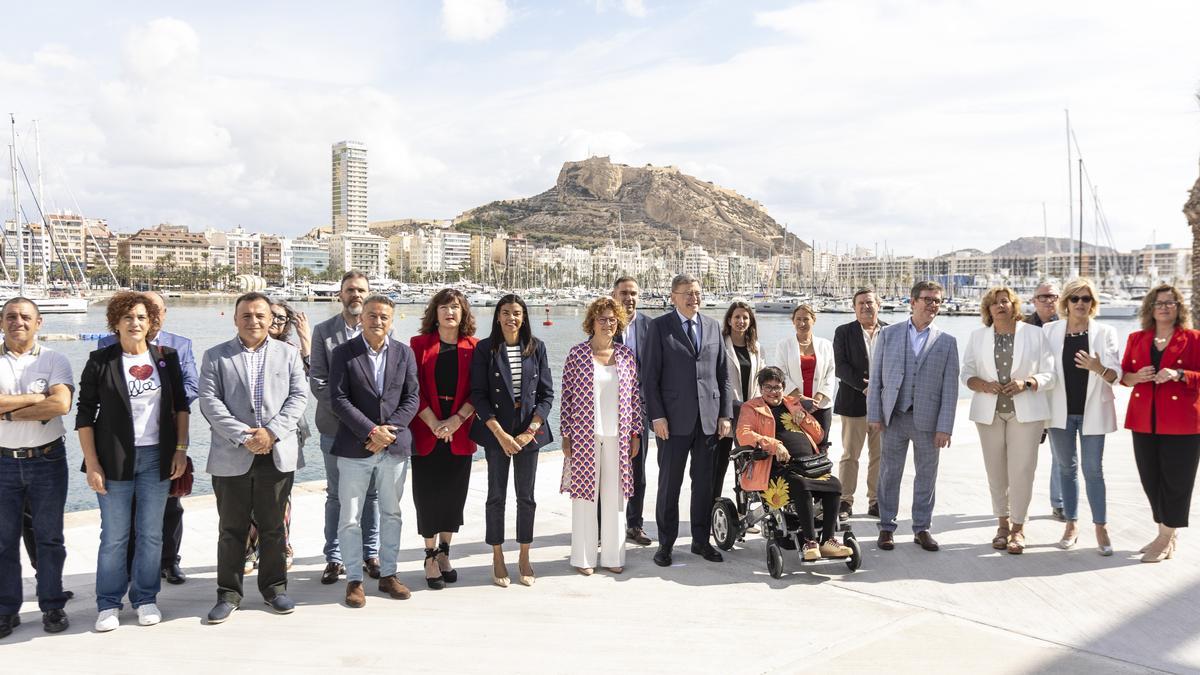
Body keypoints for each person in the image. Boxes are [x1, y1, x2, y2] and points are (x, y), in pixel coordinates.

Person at [77, 292, 189, 631]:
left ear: (151, 322)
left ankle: (145, 598)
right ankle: (108, 603)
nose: (135, 323)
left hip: (158, 456)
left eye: (141, 317)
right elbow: (84, 415)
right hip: (113, 459)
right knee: (114, 535)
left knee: (152, 533)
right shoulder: (101, 360)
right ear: (115, 323)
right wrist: (92, 464)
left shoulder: (166, 358)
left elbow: (181, 407)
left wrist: (181, 449)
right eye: (128, 317)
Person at [199, 292, 308, 623]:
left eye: (260, 315)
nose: (254, 321)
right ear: (235, 319)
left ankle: (275, 588)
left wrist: (271, 433)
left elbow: (299, 397)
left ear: (270, 319)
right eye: (246, 315)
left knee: (273, 526)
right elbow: (209, 401)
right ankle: (228, 593)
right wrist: (244, 436)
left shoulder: (288, 354)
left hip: (276, 452)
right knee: (231, 527)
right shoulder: (216, 356)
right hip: (233, 453)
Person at [96, 290, 198, 584]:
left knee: (169, 506)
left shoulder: (179, 345)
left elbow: (191, 384)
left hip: (166, 435)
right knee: (123, 512)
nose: (144, 318)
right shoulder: (107, 345)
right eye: (138, 311)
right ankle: (126, 566)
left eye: (153, 310)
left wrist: (165, 404)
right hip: (121, 442)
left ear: (161, 315)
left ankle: (169, 561)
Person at [329, 295, 419, 607]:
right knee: (350, 517)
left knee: (392, 513)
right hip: (355, 447)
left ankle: (389, 574)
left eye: (383, 317)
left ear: (391, 320)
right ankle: (354, 579)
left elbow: (412, 398)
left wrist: (388, 432)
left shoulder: (404, 353)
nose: (377, 321)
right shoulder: (343, 353)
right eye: (372, 315)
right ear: (361, 317)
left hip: (394, 448)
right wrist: (371, 431)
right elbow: (338, 398)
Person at [643, 273, 733, 566]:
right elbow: (649, 379)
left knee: (704, 485)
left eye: (697, 292)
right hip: (671, 422)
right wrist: (656, 416)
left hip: (708, 421)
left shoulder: (711, 326)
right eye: (687, 293)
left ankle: (700, 541)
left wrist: (725, 415)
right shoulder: (658, 328)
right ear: (673, 297)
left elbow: (723, 375)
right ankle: (665, 545)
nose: (694, 297)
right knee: (670, 485)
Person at [0, 298, 74, 638]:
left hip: (47, 460)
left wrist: (9, 412)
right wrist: (34, 399)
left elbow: (60, 403)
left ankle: (52, 604)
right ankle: (6, 609)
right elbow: (45, 401)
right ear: (2, 322)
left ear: (39, 323)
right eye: (11, 316)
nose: (18, 322)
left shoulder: (54, 359)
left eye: (25, 316)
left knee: (50, 538)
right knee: (3, 542)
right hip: (2, 461)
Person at [868, 280, 959, 552]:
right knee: (888, 474)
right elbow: (876, 379)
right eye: (928, 299)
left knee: (926, 476)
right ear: (913, 301)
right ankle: (886, 527)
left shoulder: (947, 342)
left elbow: (951, 389)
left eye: (937, 301)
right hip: (893, 416)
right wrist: (874, 414)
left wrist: (945, 427)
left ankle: (922, 528)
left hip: (928, 422)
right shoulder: (888, 334)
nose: (933, 305)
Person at [470, 294, 555, 587]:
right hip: (497, 434)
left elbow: (546, 396)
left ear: (524, 316)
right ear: (498, 316)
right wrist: (501, 435)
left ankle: (524, 555)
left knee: (526, 497)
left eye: (517, 313)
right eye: (506, 312)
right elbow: (478, 396)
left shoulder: (537, 348)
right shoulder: (485, 349)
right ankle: (497, 555)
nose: (511, 318)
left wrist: (529, 431)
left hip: (528, 433)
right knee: (496, 496)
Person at [962, 287, 1054, 555]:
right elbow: (966, 372)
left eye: (1005, 301)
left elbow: (1050, 374)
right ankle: (1002, 525)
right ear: (988, 310)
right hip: (989, 413)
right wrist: (981, 384)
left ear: (1014, 305)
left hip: (1025, 413)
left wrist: (1027, 382)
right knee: (996, 473)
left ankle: (1018, 528)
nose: (1000, 306)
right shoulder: (978, 337)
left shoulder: (1036, 334)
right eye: (994, 303)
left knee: (1022, 471)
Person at [560, 297, 643, 574]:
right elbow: (567, 398)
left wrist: (635, 433)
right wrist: (566, 434)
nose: (608, 324)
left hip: (618, 436)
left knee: (615, 499)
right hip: (584, 434)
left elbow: (633, 397)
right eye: (602, 319)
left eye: (612, 320)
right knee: (585, 498)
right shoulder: (576, 354)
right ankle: (583, 559)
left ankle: (613, 558)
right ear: (592, 322)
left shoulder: (626, 356)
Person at [736, 367, 853, 560]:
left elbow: (819, 435)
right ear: (760, 388)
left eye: (778, 387)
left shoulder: (793, 403)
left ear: (784, 387)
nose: (774, 392)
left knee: (834, 484)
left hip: (808, 465)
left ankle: (828, 541)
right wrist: (774, 445)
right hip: (776, 468)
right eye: (768, 387)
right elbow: (743, 434)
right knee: (800, 484)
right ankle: (810, 542)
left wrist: (805, 418)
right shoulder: (751, 408)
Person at [310, 271, 381, 585]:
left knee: (372, 495)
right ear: (340, 294)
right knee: (337, 496)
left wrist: (368, 423)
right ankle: (334, 557)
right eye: (350, 290)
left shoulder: (379, 329)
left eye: (361, 290)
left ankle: (370, 553)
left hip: (373, 431)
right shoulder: (323, 332)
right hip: (335, 428)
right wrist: (352, 417)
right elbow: (319, 382)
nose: (356, 295)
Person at [1121, 284, 1200, 563]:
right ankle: (1166, 530)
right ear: (1150, 309)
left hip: (1182, 422)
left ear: (1179, 308)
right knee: (1150, 479)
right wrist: (1136, 377)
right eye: (1159, 303)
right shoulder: (1136, 338)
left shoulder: (1193, 338)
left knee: (1177, 482)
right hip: (1144, 420)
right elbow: (1124, 377)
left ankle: (1165, 537)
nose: (1165, 307)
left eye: (1170, 302)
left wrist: (1179, 374)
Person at [1042, 279, 1119, 555]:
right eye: (1074, 298)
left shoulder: (1106, 332)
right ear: (1066, 303)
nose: (1080, 303)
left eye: (1086, 298)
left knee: (1093, 470)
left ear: (1093, 303)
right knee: (1066, 469)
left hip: (1093, 413)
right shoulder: (1050, 330)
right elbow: (1040, 367)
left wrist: (1097, 367)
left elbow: (1116, 376)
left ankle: (1101, 526)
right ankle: (1071, 524)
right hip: (1059, 414)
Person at [410, 289, 478, 590]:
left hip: (459, 432)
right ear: (434, 312)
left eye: (456, 307)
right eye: (444, 307)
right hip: (427, 430)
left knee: (453, 497)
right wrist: (436, 423)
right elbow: (413, 390)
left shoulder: (475, 347)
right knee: (427, 497)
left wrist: (455, 421)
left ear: (463, 313)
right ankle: (428, 555)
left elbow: (479, 392)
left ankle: (445, 552)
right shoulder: (418, 345)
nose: (450, 312)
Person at [243, 300, 312, 574]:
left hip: (287, 432)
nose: (274, 322)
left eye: (282, 319)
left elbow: (311, 381)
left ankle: (282, 546)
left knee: (281, 496)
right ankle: (249, 546)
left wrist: (306, 338)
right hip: (249, 434)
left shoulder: (291, 351)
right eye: (272, 316)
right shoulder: (241, 350)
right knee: (248, 494)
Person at [833, 289, 887, 521]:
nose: (866, 306)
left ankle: (876, 501)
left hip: (884, 404)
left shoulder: (891, 331)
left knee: (880, 455)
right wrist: (863, 386)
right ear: (854, 307)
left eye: (870, 302)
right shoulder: (843, 332)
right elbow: (841, 366)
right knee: (850, 455)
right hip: (853, 403)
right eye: (861, 303)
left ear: (878, 305)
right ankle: (845, 501)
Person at [612, 277, 654, 546]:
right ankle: (604, 525)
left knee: (638, 469)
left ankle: (634, 524)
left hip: (640, 408)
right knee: (607, 468)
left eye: (633, 293)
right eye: (624, 293)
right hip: (608, 407)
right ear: (614, 295)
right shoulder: (604, 324)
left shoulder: (651, 327)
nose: (629, 298)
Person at [1028, 281, 1065, 522]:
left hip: (1060, 400)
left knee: (1061, 456)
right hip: (1031, 398)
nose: (1048, 300)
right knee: (1024, 456)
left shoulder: (1068, 325)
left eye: (1052, 296)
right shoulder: (1022, 327)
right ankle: (1016, 505)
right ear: (1034, 300)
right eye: (1043, 297)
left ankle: (1059, 502)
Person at [718, 301, 761, 507]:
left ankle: (744, 512)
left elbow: (760, 379)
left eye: (745, 317)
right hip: (727, 410)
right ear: (729, 320)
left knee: (746, 464)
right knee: (718, 466)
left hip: (749, 412)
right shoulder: (720, 343)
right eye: (737, 317)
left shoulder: (756, 347)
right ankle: (713, 510)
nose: (741, 321)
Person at [774, 304, 835, 449]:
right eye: (798, 319)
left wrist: (817, 399)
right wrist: (800, 399)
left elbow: (831, 373)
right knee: (798, 447)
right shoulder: (783, 345)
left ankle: (822, 472)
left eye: (806, 319)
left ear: (813, 320)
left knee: (822, 446)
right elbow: (781, 374)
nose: (802, 323)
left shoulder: (826, 345)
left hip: (821, 406)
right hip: (793, 405)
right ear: (793, 321)